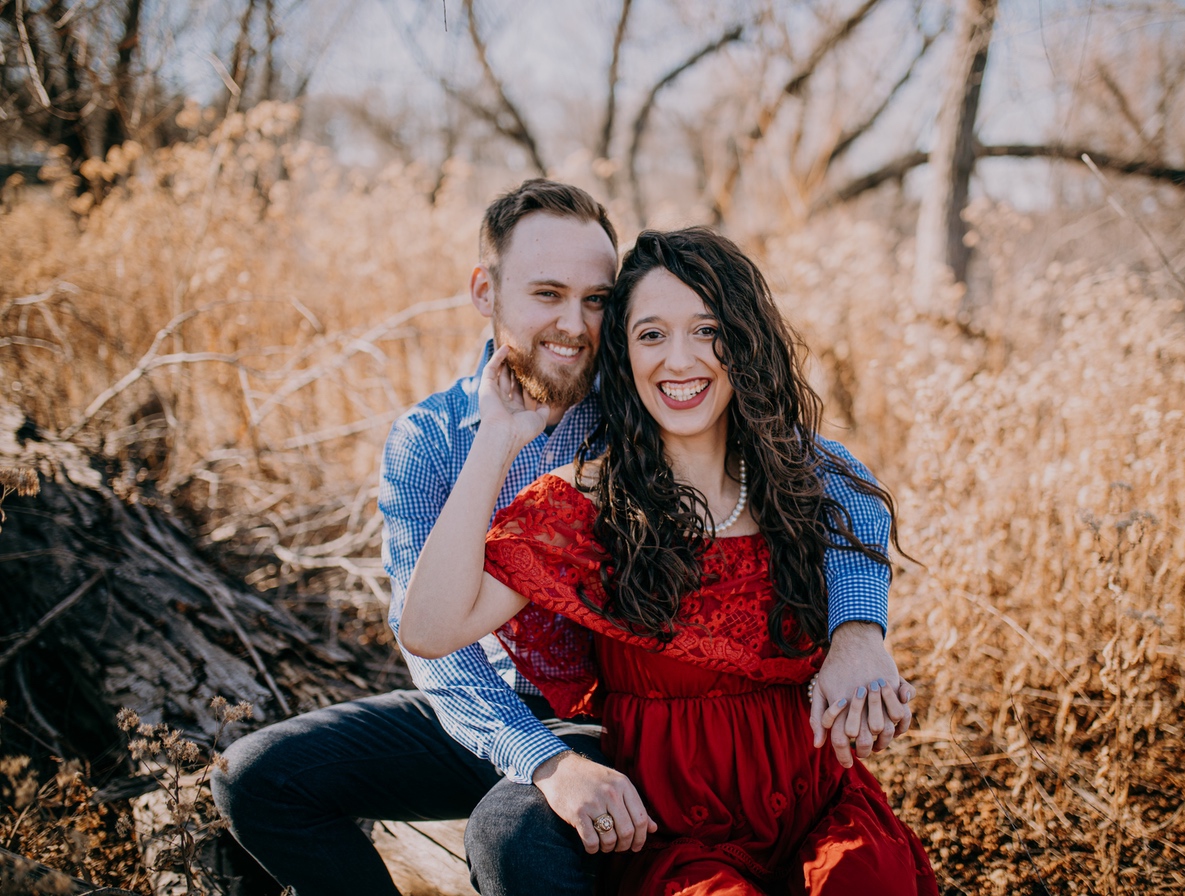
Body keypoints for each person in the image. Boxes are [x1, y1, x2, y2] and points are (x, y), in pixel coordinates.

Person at [213, 181, 914, 896]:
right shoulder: (427, 442)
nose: (575, 325)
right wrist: (542, 759)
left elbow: (829, 479)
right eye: (547, 294)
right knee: (260, 778)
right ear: (486, 290)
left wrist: (858, 627)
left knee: (509, 833)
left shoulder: (649, 391)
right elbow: (434, 643)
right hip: (490, 705)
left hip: (614, 713)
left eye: (597, 300)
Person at [399, 227, 937, 894]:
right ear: (622, 356)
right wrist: (499, 440)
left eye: (707, 331)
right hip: (682, 835)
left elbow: (860, 498)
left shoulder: (798, 481)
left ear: (744, 342)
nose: (679, 361)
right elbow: (427, 628)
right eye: (652, 335)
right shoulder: (587, 503)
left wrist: (860, 635)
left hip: (820, 809)